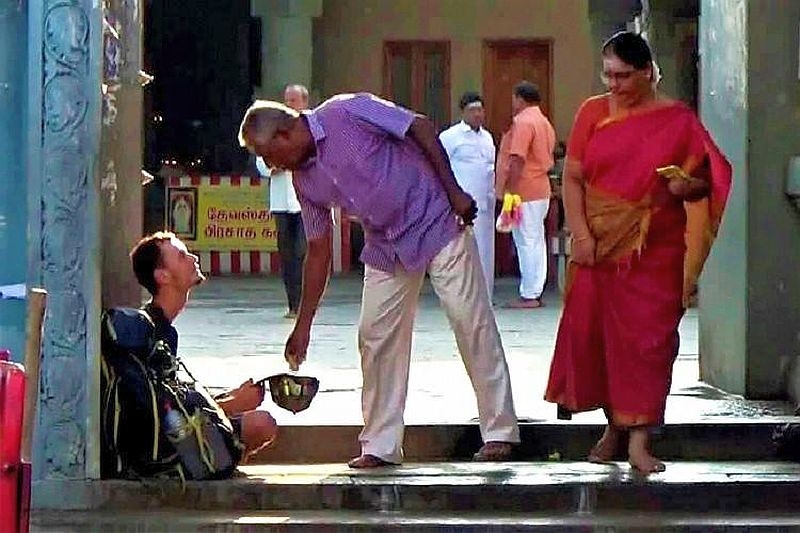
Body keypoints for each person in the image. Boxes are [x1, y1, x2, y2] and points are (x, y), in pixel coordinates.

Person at [238, 93, 520, 468]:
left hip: (435, 218)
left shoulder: (346, 110)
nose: (270, 165)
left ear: (285, 134)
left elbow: (419, 126)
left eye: (268, 154)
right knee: (375, 336)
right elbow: (318, 251)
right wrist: (303, 326)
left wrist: (454, 192)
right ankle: (381, 445)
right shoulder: (303, 182)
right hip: (386, 243)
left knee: (471, 322)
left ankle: (500, 432)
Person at [544, 32, 731, 473]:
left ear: (647, 72)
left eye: (623, 76)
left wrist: (687, 187)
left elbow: (708, 180)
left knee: (649, 344)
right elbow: (573, 179)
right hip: (597, 246)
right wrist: (581, 235)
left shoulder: (677, 119)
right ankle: (614, 426)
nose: (614, 84)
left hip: (654, 250)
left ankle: (640, 441)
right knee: (598, 339)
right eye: (608, 75)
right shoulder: (592, 112)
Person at [129, 232, 278, 460]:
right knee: (261, 424)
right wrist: (233, 404)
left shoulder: (164, 328)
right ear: (163, 276)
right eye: (182, 256)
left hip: (175, 429)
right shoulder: (153, 333)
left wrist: (231, 397)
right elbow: (166, 416)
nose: (193, 258)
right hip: (161, 448)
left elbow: (176, 398)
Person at [496, 81, 556, 309]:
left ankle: (529, 294)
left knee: (525, 241)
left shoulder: (523, 122)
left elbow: (517, 158)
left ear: (519, 98)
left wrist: (511, 190)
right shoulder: (544, 122)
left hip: (524, 189)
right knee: (535, 240)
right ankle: (534, 290)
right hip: (540, 188)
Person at [256, 84, 309, 319]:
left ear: (304, 102)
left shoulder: (312, 126)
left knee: (303, 252)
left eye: (294, 100)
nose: (289, 104)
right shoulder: (271, 127)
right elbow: (261, 160)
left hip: (306, 202)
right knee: (287, 255)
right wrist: (273, 165)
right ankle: (293, 304)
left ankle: (307, 303)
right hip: (281, 202)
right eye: (287, 100)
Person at [439, 91, 497, 301]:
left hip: (485, 204)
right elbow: (440, 167)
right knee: (461, 251)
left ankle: (485, 296)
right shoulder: (450, 137)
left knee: (485, 251)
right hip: (462, 205)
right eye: (473, 110)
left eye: (480, 110)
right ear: (462, 112)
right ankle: (463, 298)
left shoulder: (487, 137)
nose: (477, 114)